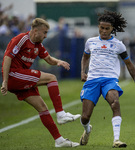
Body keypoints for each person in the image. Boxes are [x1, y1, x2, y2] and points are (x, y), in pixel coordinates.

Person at [1, 18, 81, 148]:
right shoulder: (21, 39)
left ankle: (59, 140)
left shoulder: (38, 44)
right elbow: (7, 58)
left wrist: (58, 62)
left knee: (43, 108)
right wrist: (5, 81)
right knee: (51, 78)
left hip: (21, 79)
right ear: (35, 30)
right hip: (13, 75)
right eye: (44, 32)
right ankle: (60, 114)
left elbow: (48, 59)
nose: (46, 35)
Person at [79, 10, 135, 148]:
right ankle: (87, 130)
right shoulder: (90, 42)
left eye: (107, 28)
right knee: (85, 117)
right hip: (92, 80)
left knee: (115, 103)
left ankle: (116, 140)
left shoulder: (119, 45)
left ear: (112, 29)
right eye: (102, 28)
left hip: (110, 80)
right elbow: (85, 57)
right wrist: (83, 72)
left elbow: (129, 64)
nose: (104, 31)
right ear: (98, 27)